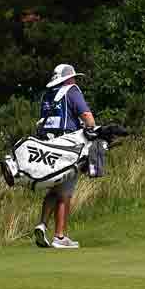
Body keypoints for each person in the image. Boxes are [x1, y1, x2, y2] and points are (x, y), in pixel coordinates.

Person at [36, 62, 97, 249]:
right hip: (67, 148)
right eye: (73, 77)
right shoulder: (72, 91)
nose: (75, 80)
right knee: (65, 192)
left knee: (54, 187)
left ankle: (42, 224)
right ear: (69, 78)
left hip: (48, 146)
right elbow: (87, 116)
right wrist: (93, 131)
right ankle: (60, 237)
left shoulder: (48, 94)